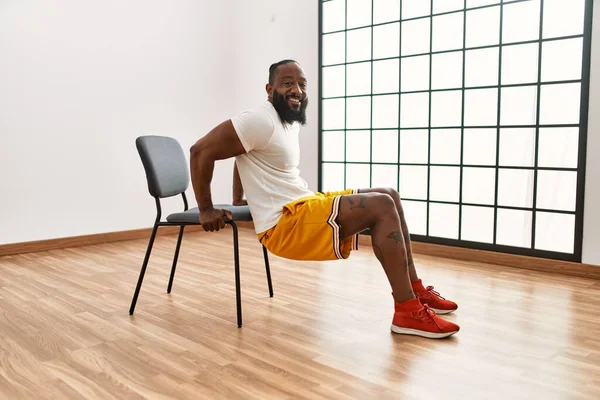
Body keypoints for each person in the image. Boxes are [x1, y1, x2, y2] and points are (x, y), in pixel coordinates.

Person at [190, 59, 459, 339]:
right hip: (284, 224)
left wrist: (239, 198)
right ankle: (407, 311)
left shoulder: (284, 121)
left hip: (302, 204)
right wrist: (206, 209)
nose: (297, 90)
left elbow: (242, 151)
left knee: (389, 194)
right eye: (287, 83)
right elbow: (200, 151)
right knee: (381, 206)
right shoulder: (259, 118)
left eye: (302, 84)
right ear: (269, 89)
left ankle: (414, 290)